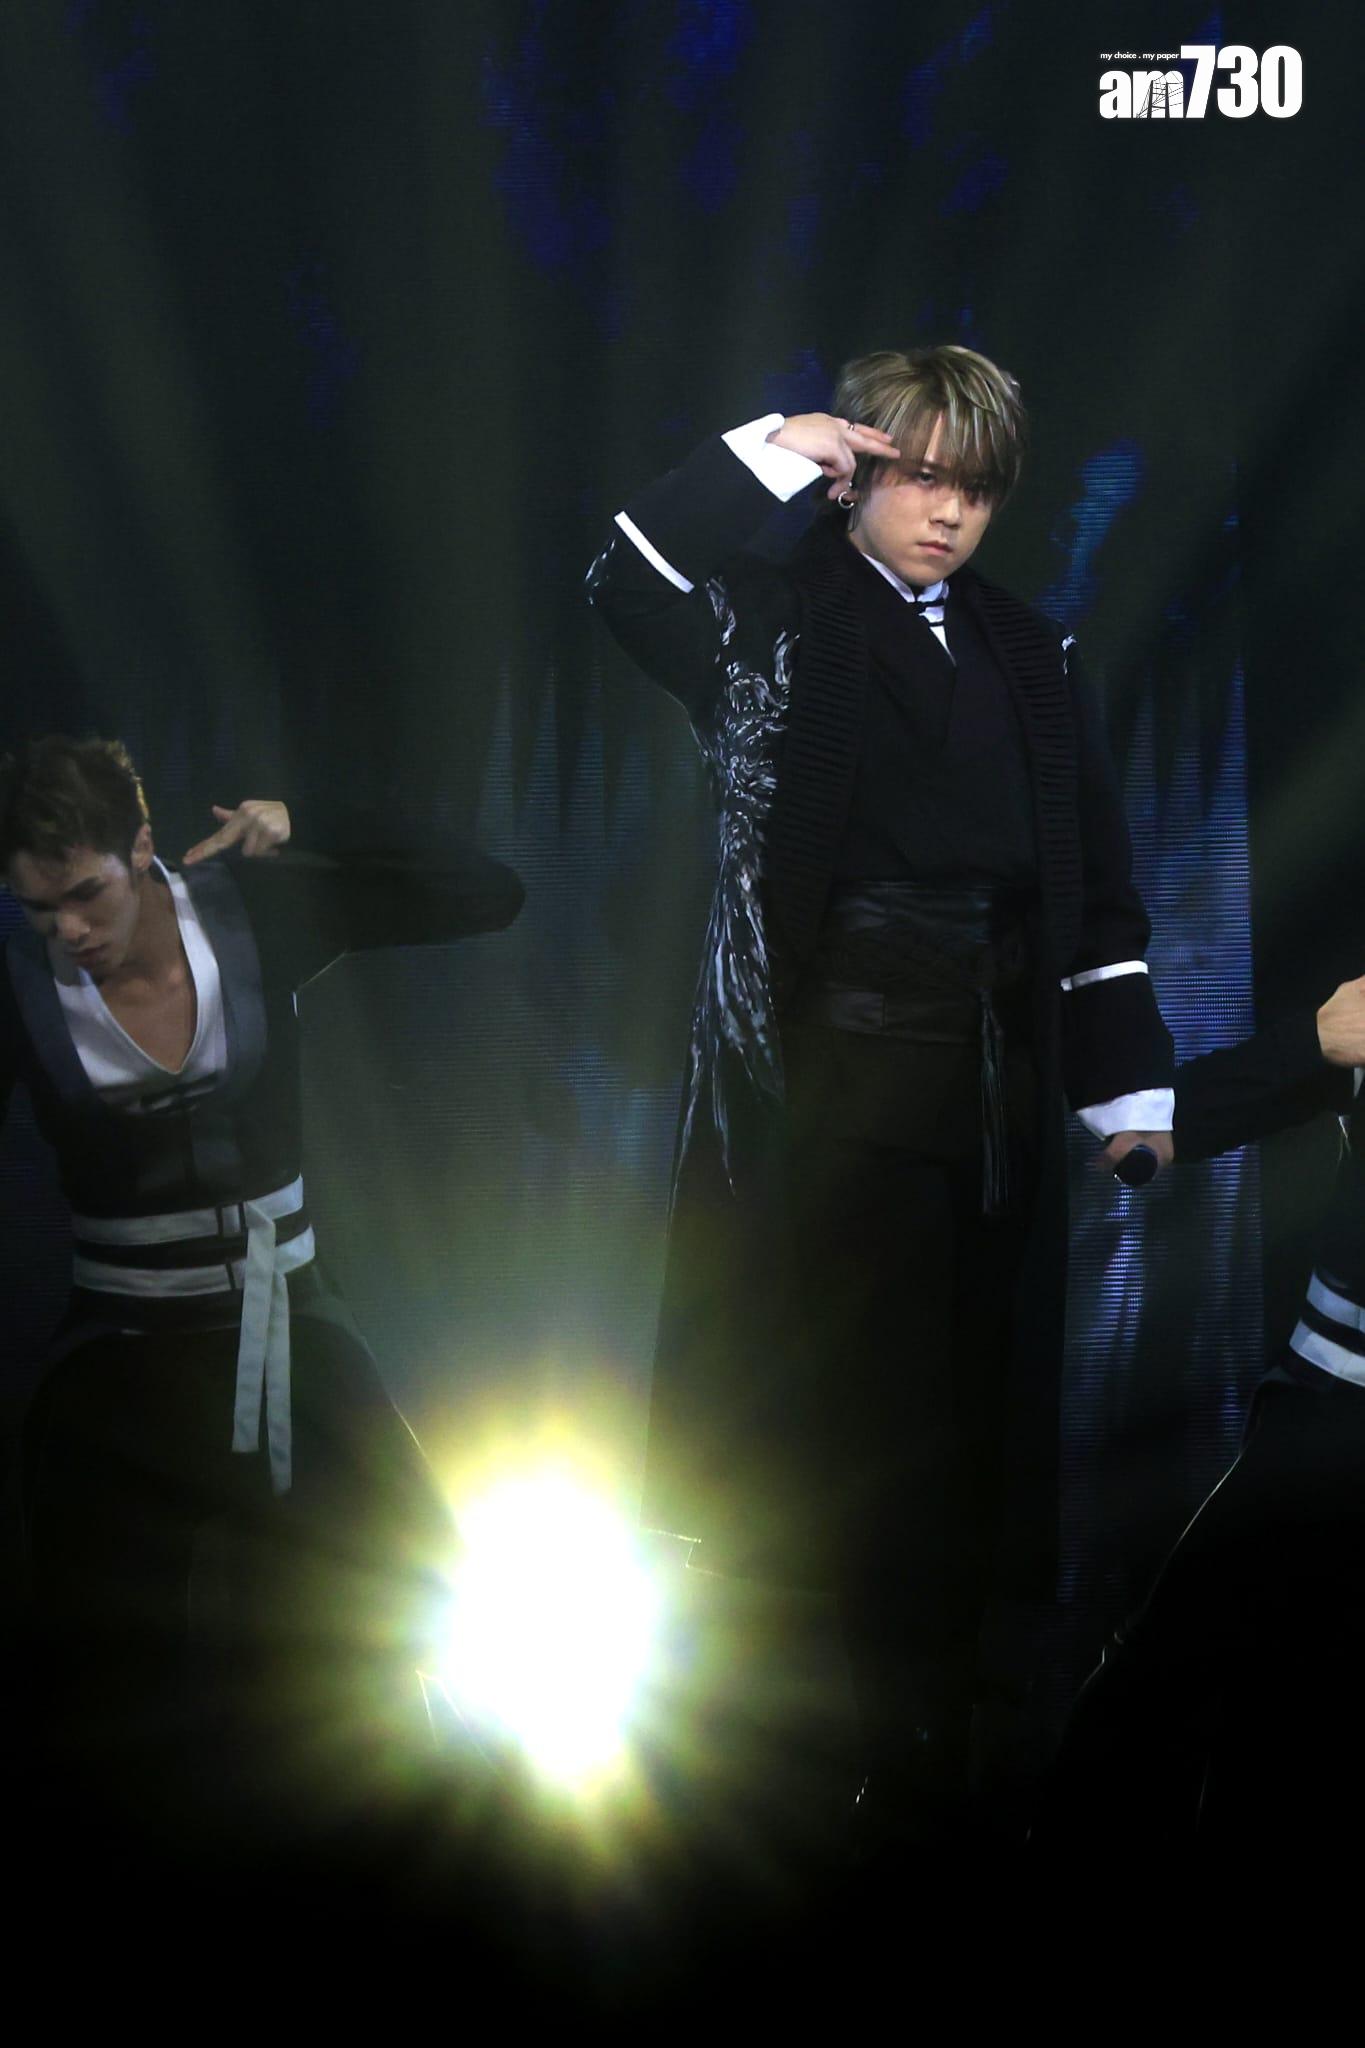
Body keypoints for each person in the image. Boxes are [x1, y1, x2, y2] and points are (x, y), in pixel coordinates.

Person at [587, 346, 1175, 1845]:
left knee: (969, 1433)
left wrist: (1124, 1089)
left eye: (976, 489)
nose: (949, 513)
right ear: (861, 472)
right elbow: (626, 580)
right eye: (921, 477)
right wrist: (774, 448)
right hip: (823, 1096)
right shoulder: (772, 617)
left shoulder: (1029, 652)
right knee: (839, 1430)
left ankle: (934, 1749)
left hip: (991, 1100)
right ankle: (810, 1754)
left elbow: (1094, 895)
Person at [0, 735, 523, 1863]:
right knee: (84, 1678)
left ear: (143, 847)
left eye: (86, 895)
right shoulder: (20, 985)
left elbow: (489, 891)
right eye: (39, 910)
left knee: (402, 1613)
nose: (69, 931)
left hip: (288, 1334)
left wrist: (310, 819)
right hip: (122, 1358)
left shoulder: (252, 914)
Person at [1032, 972, 1365, 1856]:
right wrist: (1158, 1127)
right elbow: (1269, 1078)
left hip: (1325, 1416)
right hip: (1323, 1412)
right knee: (1183, 1670)